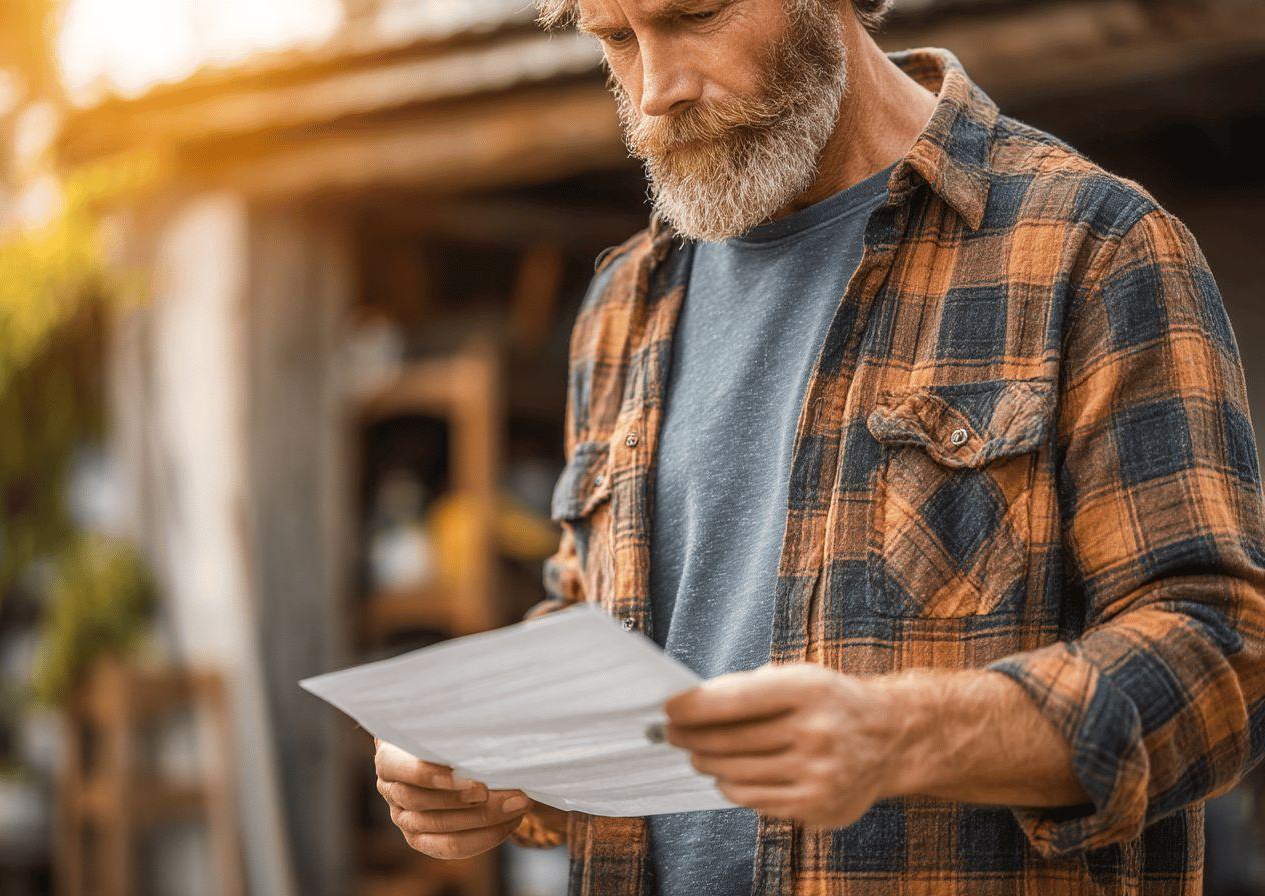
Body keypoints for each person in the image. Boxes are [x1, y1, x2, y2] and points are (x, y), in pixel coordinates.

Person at [372, 0, 1265, 892]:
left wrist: (898, 736)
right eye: (615, 39)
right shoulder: (621, 306)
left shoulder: (1092, 248)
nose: (656, 92)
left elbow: (1226, 654)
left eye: (694, 15)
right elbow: (603, 626)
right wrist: (494, 756)